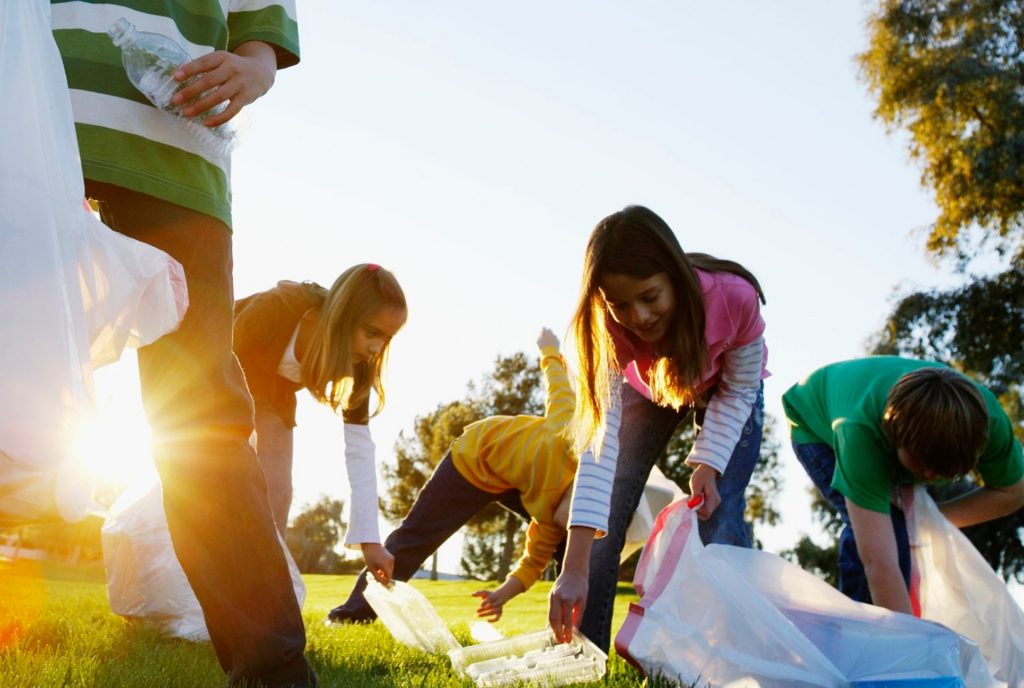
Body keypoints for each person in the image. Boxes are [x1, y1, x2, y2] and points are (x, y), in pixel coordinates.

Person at [50, 3, 315, 685]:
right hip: (41, 127)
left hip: (177, 159)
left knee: (200, 425)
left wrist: (252, 70)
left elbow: (261, 37)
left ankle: (275, 675)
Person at [548, 205, 769, 651]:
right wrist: (573, 568)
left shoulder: (734, 296)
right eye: (620, 304)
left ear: (674, 273)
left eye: (650, 296)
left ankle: (728, 655)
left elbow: (740, 389)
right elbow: (599, 444)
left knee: (719, 515)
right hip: (649, 387)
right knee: (608, 501)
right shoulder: (605, 332)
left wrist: (708, 461)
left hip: (725, 389)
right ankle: (581, 651)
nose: (639, 316)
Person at [328, 328, 575, 625]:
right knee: (417, 535)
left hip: (513, 482)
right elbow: (558, 387)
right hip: (473, 459)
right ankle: (350, 615)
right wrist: (549, 349)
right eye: (571, 519)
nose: (568, 525)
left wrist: (502, 594)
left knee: (569, 549)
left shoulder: (551, 520)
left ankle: (571, 628)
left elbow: (534, 562)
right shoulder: (567, 436)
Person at [782, 357, 1024, 614]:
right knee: (891, 536)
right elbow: (879, 563)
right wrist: (909, 645)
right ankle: (857, 634)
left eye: (944, 472)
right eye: (921, 465)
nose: (929, 475)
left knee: (905, 529)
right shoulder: (860, 436)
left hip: (882, 419)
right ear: (895, 436)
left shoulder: (989, 423)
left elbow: (1012, 493)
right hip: (814, 422)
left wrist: (931, 519)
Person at [233, 265, 408, 582]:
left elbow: (359, 448)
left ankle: (258, 588)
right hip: (219, 376)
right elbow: (216, 355)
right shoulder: (279, 307)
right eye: (371, 333)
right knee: (216, 475)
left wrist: (370, 542)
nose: (376, 348)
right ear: (343, 317)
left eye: (386, 338)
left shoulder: (362, 366)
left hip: (274, 397)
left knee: (278, 492)